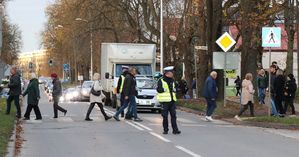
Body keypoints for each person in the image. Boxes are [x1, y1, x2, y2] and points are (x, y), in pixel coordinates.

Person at [157, 66, 181, 134]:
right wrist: (164, 90)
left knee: (173, 116)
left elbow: (176, 88)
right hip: (164, 102)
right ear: (167, 73)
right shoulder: (161, 80)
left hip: (172, 101)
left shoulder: (173, 80)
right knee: (165, 116)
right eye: (172, 72)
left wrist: (176, 90)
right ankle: (165, 130)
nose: (173, 73)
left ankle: (175, 130)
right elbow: (158, 89)